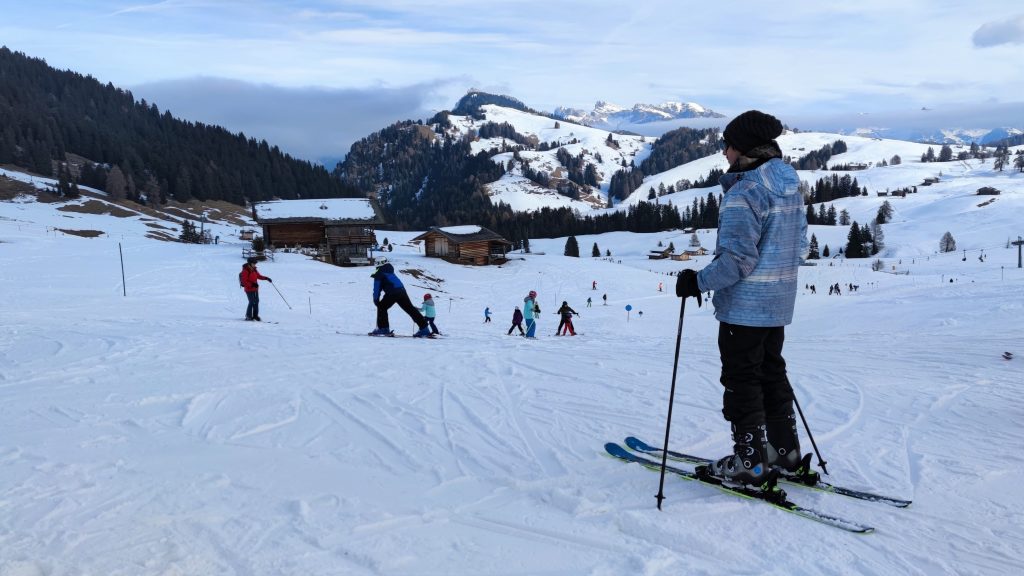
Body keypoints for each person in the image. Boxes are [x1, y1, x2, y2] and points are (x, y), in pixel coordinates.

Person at [675, 110, 809, 487]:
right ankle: (786, 453)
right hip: (778, 305)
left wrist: (696, 282)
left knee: (742, 381)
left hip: (743, 310)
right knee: (771, 374)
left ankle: (750, 462)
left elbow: (737, 261)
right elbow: (799, 248)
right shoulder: (789, 186)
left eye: (728, 145)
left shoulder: (744, 192)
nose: (724, 154)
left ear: (744, 148)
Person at [370, 261, 431, 337]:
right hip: (402, 291)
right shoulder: (389, 270)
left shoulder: (379, 273)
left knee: (382, 307)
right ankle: (424, 328)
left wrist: (376, 300)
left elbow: (377, 288)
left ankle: (383, 329)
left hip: (392, 292)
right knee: (410, 308)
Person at [240, 257, 272, 321]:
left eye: (255, 263)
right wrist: (252, 284)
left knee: (256, 302)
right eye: (254, 263)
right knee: (251, 302)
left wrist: (266, 278)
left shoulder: (254, 269)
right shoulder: (245, 271)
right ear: (250, 263)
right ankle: (248, 316)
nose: (255, 264)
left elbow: (259, 276)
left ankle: (255, 316)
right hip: (249, 290)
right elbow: (244, 281)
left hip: (255, 289)